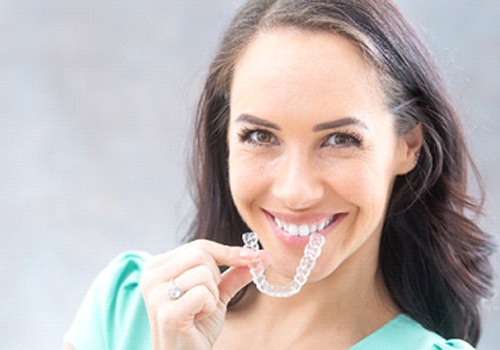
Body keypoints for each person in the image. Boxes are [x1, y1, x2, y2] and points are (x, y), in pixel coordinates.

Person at [63, 0, 495, 349]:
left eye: (340, 139)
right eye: (259, 136)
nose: (296, 191)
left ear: (408, 146)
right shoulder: (125, 309)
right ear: (226, 140)